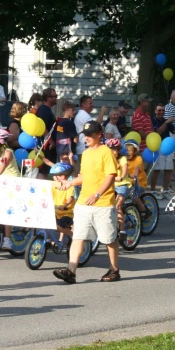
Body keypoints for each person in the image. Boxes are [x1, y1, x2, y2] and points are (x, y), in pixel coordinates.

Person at [53, 121, 120, 284]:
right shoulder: (87, 153)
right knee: (78, 236)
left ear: (99, 135)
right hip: (83, 202)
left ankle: (114, 270)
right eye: (85, 134)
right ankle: (71, 271)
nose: (87, 137)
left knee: (109, 238)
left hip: (103, 203)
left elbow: (110, 176)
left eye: (90, 134)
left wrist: (97, 194)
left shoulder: (106, 152)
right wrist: (70, 183)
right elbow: (84, 176)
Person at [149, 102, 175, 197]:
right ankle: (152, 191)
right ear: (155, 111)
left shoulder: (166, 120)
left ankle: (165, 191)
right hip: (158, 146)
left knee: (168, 170)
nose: (161, 112)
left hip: (168, 147)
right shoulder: (153, 120)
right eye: (159, 110)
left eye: (163, 110)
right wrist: (165, 123)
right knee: (157, 170)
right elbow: (157, 132)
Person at [50, 162, 76, 247]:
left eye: (56, 175)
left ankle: (73, 235)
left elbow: (70, 198)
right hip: (56, 212)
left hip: (67, 213)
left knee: (58, 226)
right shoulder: (53, 185)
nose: (54, 177)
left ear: (63, 176)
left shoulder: (69, 185)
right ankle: (48, 240)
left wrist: (64, 205)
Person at [36, 88, 58, 175]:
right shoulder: (44, 110)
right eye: (55, 96)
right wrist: (51, 141)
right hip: (46, 145)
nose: (56, 98)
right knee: (44, 169)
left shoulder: (47, 109)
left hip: (48, 144)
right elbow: (42, 127)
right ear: (49, 98)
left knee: (47, 170)